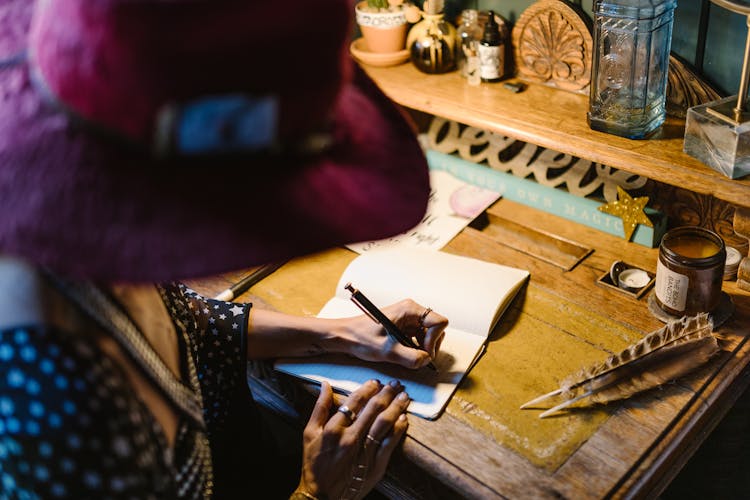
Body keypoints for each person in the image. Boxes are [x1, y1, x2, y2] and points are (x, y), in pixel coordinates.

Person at [0, 0, 449, 498]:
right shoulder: (62, 413)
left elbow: (184, 317)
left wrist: (344, 334)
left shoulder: (83, 237)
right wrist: (314, 493)